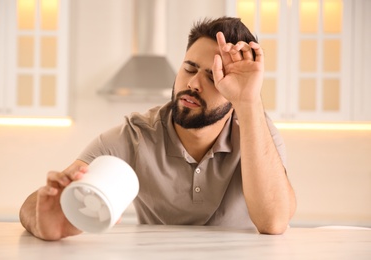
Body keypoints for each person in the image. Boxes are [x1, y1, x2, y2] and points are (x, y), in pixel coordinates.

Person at [19, 16, 296, 241]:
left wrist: (248, 103)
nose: (193, 84)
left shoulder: (257, 131)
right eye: (189, 68)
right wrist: (43, 219)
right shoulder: (133, 137)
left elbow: (274, 222)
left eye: (213, 76)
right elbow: (40, 203)